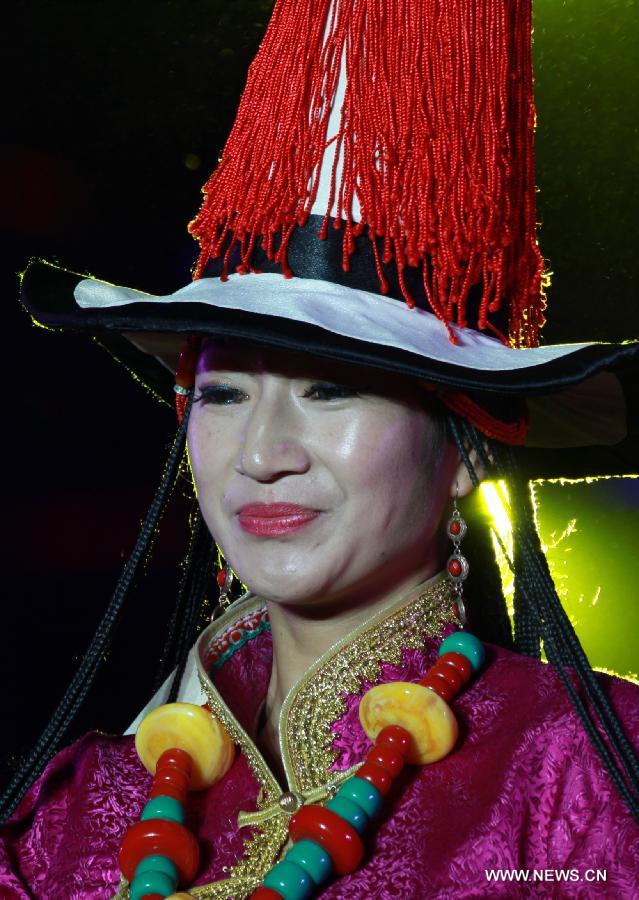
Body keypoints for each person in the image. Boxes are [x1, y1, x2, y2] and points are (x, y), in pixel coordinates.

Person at [2, 0, 639, 897]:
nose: (261, 453)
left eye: (327, 388)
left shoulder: (590, 785)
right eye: (222, 393)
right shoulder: (70, 816)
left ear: (466, 444)